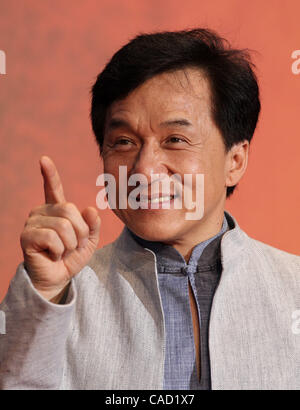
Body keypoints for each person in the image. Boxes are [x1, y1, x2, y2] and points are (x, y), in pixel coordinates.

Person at [0, 28, 299, 390]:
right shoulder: (59, 293)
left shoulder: (292, 289)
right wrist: (44, 295)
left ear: (235, 160)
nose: (143, 170)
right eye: (124, 142)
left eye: (175, 140)